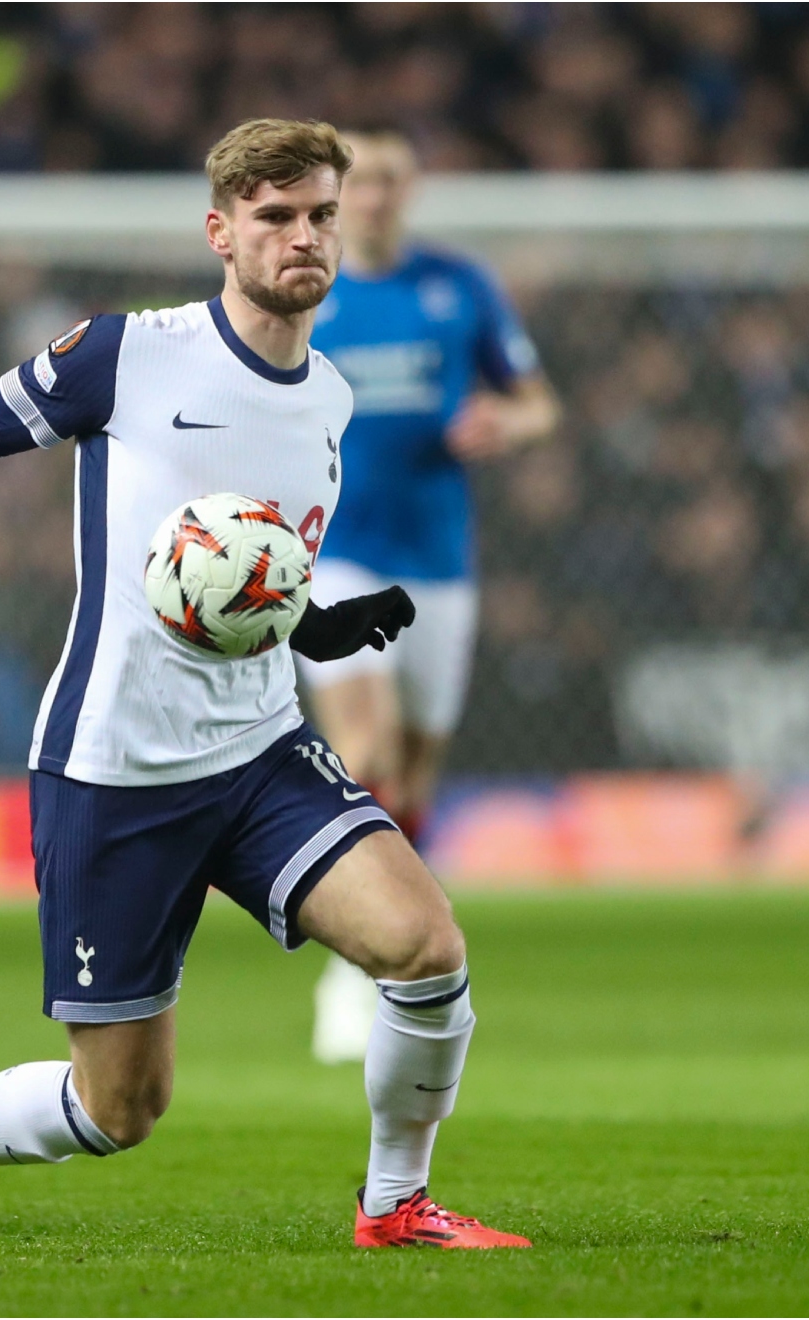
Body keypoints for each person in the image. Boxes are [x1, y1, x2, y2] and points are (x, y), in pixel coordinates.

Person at [0, 118, 529, 1254]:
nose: (302, 237)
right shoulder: (131, 353)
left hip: (260, 752)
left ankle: (395, 1205)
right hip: (116, 766)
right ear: (222, 233)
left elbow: (235, 568)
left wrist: (314, 624)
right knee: (118, 1110)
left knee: (426, 949)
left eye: (318, 215)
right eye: (274, 218)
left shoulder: (330, 400)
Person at [301, 131, 561, 1064]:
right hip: (335, 557)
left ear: (410, 192)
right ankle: (346, 968)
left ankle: (391, 943)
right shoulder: (308, 287)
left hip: (438, 560)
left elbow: (539, 401)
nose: (374, 198)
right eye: (359, 182)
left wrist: (507, 420)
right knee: (363, 750)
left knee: (412, 775)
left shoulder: (459, 287)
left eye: (389, 182)